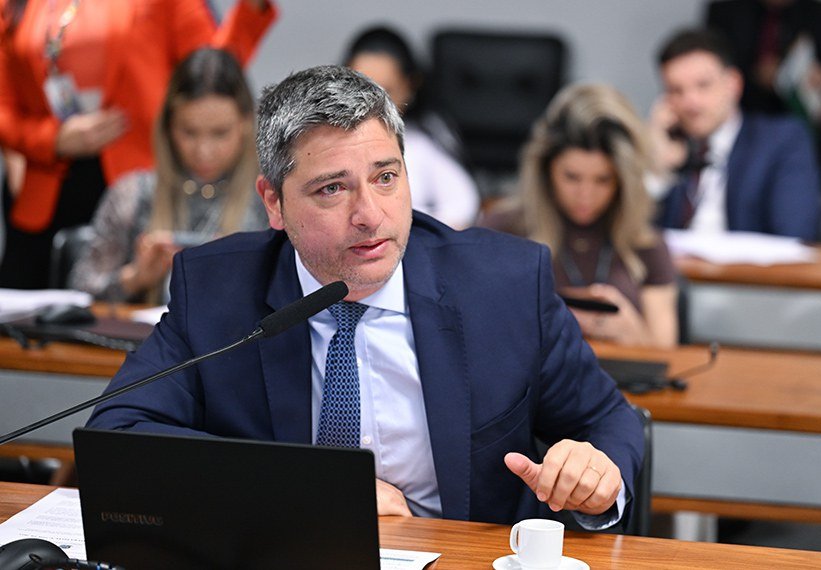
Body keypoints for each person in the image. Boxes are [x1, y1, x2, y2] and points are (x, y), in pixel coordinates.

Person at [87, 65, 643, 528]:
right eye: (332, 188)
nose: (370, 216)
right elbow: (119, 434)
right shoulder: (215, 290)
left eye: (385, 177)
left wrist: (598, 472)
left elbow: (609, 420)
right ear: (274, 203)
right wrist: (310, 496)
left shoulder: (502, 284)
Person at [0, 0, 276, 289]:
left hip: (138, 177)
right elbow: (5, 106)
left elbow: (210, 71)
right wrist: (51, 138)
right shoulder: (17, 5)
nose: (206, 146)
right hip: (46, 186)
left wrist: (251, 9)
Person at [481, 84, 678, 348]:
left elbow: (669, 360)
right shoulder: (501, 230)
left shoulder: (646, 244)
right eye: (572, 177)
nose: (586, 195)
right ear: (545, 170)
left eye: (603, 180)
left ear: (624, 181)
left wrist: (635, 334)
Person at [69, 48, 268, 303]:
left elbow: (303, 301)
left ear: (245, 125)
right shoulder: (132, 195)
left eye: (220, 133)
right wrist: (136, 278)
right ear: (168, 127)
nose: (203, 150)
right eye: (189, 132)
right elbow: (76, 296)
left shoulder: (270, 198)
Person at [649, 28, 821, 241]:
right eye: (676, 90)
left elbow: (794, 233)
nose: (690, 102)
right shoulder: (669, 151)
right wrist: (656, 172)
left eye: (703, 85)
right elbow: (631, 240)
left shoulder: (781, 140)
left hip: (747, 273)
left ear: (733, 84)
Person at [706, 0, 821, 211]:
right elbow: (711, 67)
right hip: (746, 112)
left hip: (801, 117)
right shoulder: (726, 10)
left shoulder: (817, 12)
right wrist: (755, 75)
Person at [344, 26, 480, 229]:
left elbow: (462, 209)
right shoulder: (327, 142)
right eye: (359, 88)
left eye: (385, 91)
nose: (369, 102)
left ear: (410, 86)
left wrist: (402, 219)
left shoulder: (423, 141)